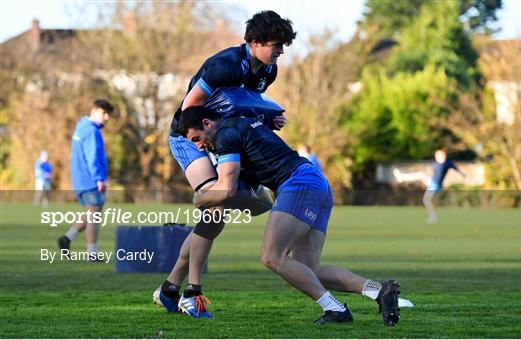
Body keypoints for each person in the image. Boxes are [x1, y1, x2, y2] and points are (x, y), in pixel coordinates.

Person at [178, 106, 401, 326]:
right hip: (316, 182)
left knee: (271, 256)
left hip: (297, 184)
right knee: (307, 268)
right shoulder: (240, 121)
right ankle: (379, 290)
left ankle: (335, 309)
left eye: (197, 138)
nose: (199, 145)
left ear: (208, 123)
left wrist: (198, 198)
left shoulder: (225, 136)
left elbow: (227, 188)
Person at [153, 10, 296, 318]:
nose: (281, 51)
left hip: (224, 139)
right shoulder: (225, 65)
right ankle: (192, 293)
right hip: (191, 135)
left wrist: (267, 118)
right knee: (215, 209)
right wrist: (209, 139)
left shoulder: (268, 72)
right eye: (277, 44)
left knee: (218, 216)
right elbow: (189, 109)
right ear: (255, 42)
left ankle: (169, 288)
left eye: (284, 45)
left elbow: (247, 108)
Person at [57, 99, 114, 258]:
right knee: (95, 214)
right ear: (95, 111)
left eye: (109, 114)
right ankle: (92, 253)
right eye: (104, 113)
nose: (107, 117)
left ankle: (67, 238)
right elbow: (92, 157)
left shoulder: (81, 127)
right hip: (90, 180)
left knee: (91, 213)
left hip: (80, 179)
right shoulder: (91, 131)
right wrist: (99, 178)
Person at [393, 149, 466, 223]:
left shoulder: (447, 163)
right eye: (436, 155)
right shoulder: (435, 164)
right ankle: (433, 216)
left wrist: (463, 174)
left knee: (426, 198)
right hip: (432, 182)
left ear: (443, 155)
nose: (437, 157)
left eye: (438, 155)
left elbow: (455, 168)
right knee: (426, 198)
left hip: (436, 185)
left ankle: (433, 217)